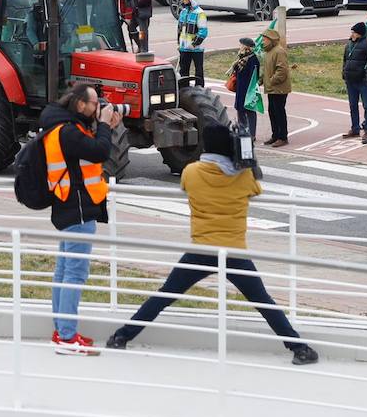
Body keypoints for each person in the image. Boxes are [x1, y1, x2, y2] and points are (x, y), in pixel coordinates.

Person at [107, 123, 318, 365]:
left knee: (165, 295)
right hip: (234, 251)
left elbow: (187, 187)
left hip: (201, 249)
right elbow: (255, 188)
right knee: (263, 302)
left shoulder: (191, 172)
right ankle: (299, 348)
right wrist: (246, 156)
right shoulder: (244, 175)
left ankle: (121, 336)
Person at [39, 83, 119, 355]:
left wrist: (104, 126)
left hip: (67, 207)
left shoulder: (61, 127)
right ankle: (67, 338)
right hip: (78, 210)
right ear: (80, 105)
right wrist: (106, 126)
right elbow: (100, 152)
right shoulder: (69, 132)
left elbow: (85, 156)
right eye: (95, 103)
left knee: (64, 271)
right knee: (74, 274)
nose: (99, 108)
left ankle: (62, 331)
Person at [260, 28, 292, 147]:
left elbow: (282, 70)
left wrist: (272, 81)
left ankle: (282, 137)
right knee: (272, 112)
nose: (262, 41)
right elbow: (267, 69)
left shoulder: (279, 51)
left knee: (279, 112)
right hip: (272, 88)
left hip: (279, 88)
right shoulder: (269, 51)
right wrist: (262, 79)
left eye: (264, 39)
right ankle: (275, 135)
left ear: (271, 40)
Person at [341, 23, 367, 139]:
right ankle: (355, 128)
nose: (352, 34)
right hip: (350, 80)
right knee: (353, 105)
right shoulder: (349, 44)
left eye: (354, 32)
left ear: (360, 33)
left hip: (362, 81)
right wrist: (344, 73)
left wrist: (365, 75)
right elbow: (345, 60)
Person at [228, 37, 260, 140]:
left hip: (248, 89)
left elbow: (254, 76)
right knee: (240, 110)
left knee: (250, 111)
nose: (239, 46)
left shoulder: (253, 59)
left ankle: (251, 134)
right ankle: (242, 131)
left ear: (246, 46)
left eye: (241, 44)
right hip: (240, 89)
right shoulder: (241, 58)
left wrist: (251, 89)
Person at [176, 0, 208, 88]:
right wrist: (179, 43)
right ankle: (183, 88)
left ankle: (199, 88)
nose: (183, 0)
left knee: (198, 70)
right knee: (183, 70)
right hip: (184, 47)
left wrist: (194, 43)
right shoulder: (183, 12)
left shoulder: (200, 13)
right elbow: (179, 29)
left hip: (196, 48)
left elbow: (203, 31)